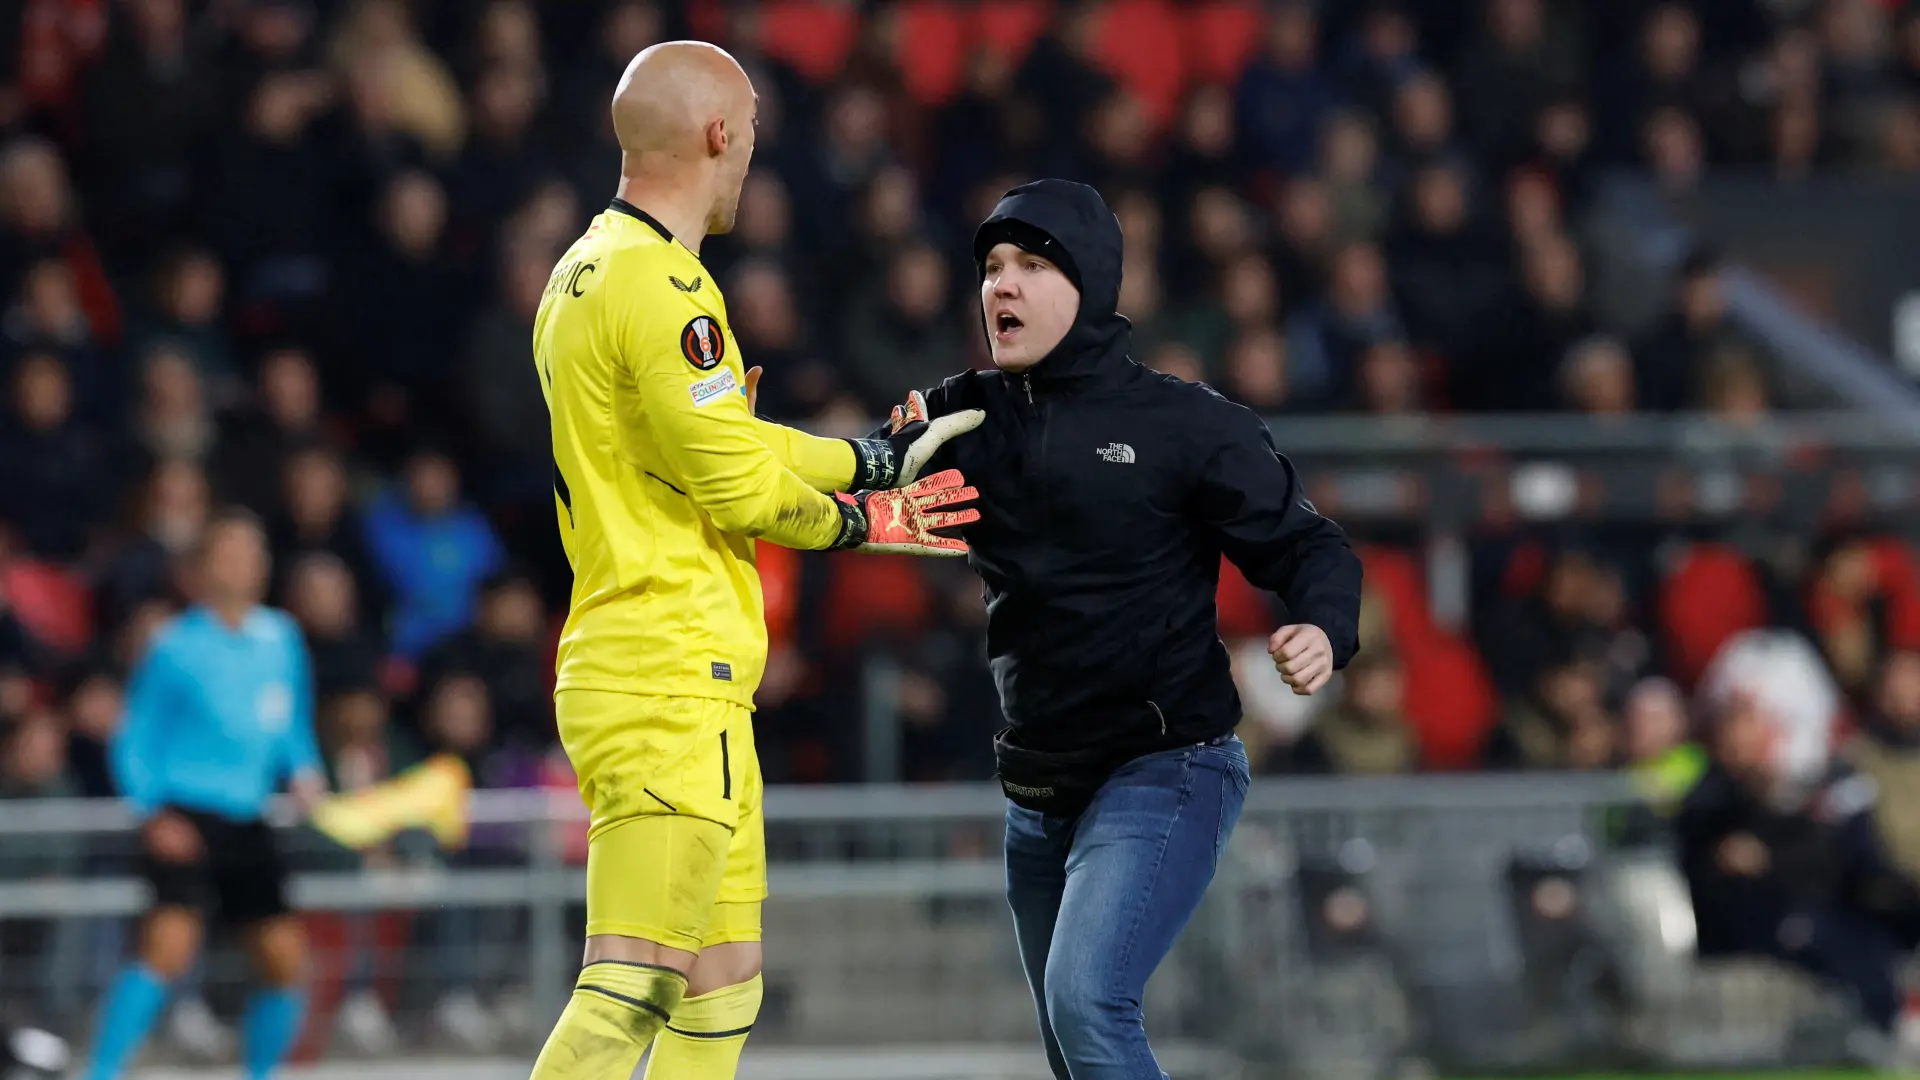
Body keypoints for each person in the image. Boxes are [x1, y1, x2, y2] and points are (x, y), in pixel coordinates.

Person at [527, 40, 984, 1079]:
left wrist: (872, 458)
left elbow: (727, 447)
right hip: (664, 667)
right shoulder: (668, 290)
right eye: (753, 138)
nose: (751, 163)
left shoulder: (590, 270)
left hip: (678, 672)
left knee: (722, 984)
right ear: (721, 135)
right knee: (632, 984)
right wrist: (869, 522)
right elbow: (736, 486)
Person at [895, 178, 1363, 1080]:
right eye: (992, 266)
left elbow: (1312, 547)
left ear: (1094, 285)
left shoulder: (1188, 425)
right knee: (1074, 1049)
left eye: (1033, 265)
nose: (1002, 286)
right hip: (1037, 793)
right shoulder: (960, 417)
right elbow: (856, 487)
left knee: (1087, 1006)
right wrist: (748, 444)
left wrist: (1323, 627)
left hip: (1166, 765)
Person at [83, 509, 328, 1080]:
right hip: (186, 817)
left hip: (249, 818)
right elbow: (134, 740)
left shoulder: (282, 639)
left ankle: (261, 1073)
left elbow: (293, 728)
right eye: (231, 553)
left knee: (285, 962)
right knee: (165, 950)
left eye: (254, 552)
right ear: (201, 568)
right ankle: (100, 1071)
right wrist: (152, 814)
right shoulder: (174, 645)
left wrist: (307, 772)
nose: (246, 565)